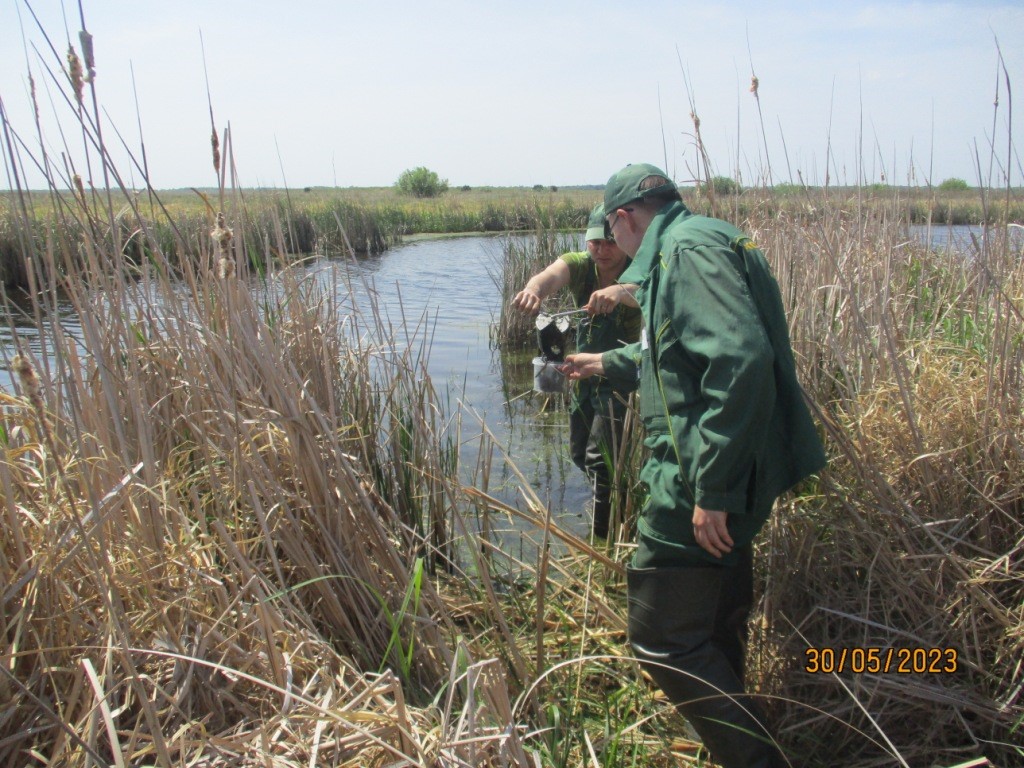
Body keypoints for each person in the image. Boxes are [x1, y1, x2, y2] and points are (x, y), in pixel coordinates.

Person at [561, 164, 826, 767]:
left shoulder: (683, 251)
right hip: (730, 465)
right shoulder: (703, 238)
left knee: (662, 638)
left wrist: (713, 488)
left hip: (697, 475)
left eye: (611, 229)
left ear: (624, 217)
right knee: (715, 618)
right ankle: (736, 744)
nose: (613, 245)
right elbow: (675, 350)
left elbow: (740, 359)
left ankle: (758, 761)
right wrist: (603, 363)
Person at [512, 203, 642, 539]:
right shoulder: (581, 265)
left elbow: (648, 290)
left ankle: (604, 542)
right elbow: (550, 274)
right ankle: (622, 509)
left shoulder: (638, 264)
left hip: (622, 379)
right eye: (594, 242)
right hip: (583, 375)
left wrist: (619, 292)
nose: (601, 250)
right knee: (580, 454)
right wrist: (533, 291)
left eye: (610, 242)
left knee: (601, 462)